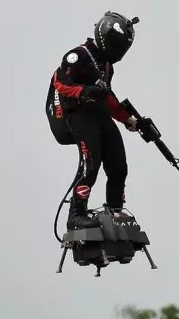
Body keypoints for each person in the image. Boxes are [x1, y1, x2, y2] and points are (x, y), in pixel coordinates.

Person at [45, 11, 140, 230]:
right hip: (73, 113)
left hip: (95, 113)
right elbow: (61, 82)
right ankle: (75, 215)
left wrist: (130, 120)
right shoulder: (79, 55)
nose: (118, 53)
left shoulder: (107, 67)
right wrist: (86, 91)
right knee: (91, 162)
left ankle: (116, 212)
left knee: (118, 164)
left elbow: (108, 98)